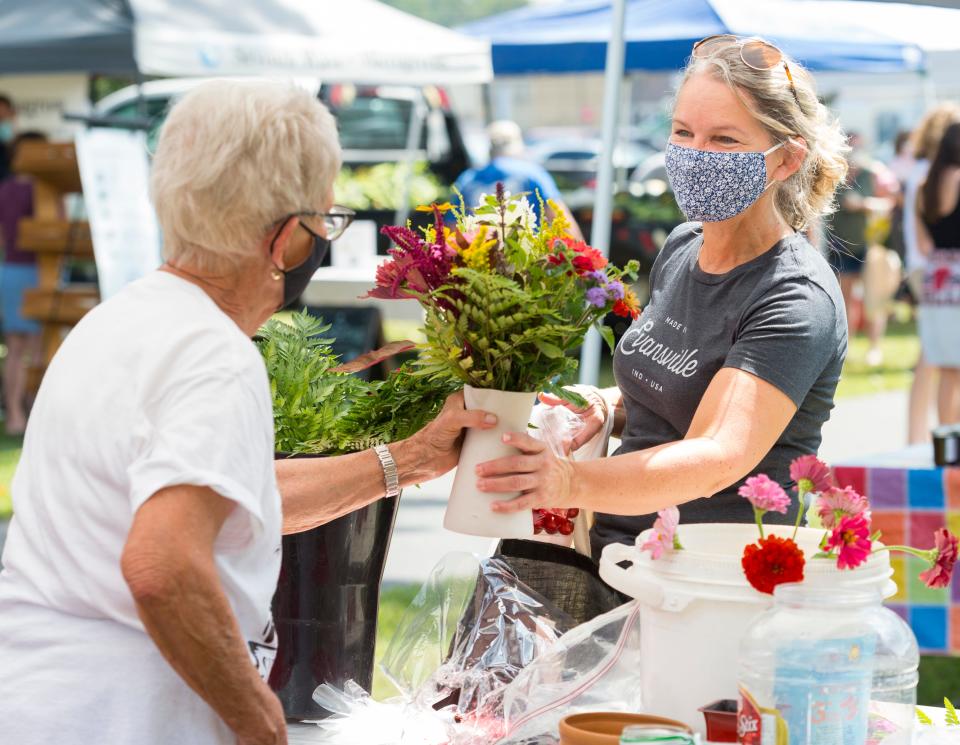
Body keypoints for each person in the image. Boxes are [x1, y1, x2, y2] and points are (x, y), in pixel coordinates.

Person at [0, 81, 495, 745]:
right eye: (327, 220)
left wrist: (406, 462)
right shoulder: (214, 357)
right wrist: (259, 722)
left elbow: (232, 494)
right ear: (288, 241)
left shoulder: (116, 320)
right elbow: (163, 564)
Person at [474, 35, 849, 560]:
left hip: (708, 576)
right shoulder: (683, 246)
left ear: (786, 159)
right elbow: (680, 387)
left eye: (723, 140)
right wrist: (606, 406)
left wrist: (566, 483)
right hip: (624, 556)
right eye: (682, 132)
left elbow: (717, 452)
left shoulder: (794, 297)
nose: (695, 155)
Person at [905, 104, 960, 442]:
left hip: (937, 274)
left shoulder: (924, 183)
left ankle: (945, 443)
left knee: (946, 369)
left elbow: (923, 244)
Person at [454, 120, 583, 238]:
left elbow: (453, 227)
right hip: (526, 258)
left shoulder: (468, 179)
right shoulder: (533, 174)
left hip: (480, 258)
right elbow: (562, 221)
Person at [0, 131, 45, 435]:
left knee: (15, 348)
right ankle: (32, 409)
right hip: (36, 270)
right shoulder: (43, 190)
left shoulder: (4, 190)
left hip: (9, 270)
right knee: (38, 346)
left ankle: (15, 413)